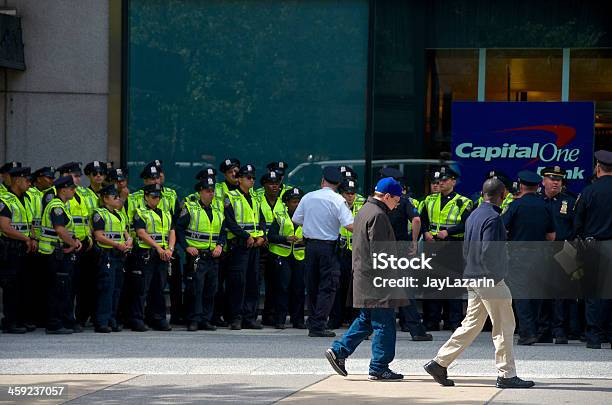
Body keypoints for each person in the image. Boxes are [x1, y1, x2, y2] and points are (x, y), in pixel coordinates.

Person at [423, 178, 535, 389]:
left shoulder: (474, 215)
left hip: (473, 276)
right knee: (504, 326)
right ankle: (507, 374)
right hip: (489, 279)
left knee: (471, 325)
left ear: (483, 194)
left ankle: (439, 363)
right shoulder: (493, 218)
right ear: (503, 195)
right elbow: (489, 252)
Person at [325, 177, 404, 381]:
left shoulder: (364, 210)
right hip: (377, 279)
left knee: (367, 320)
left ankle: (339, 351)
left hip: (365, 276)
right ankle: (379, 367)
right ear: (387, 196)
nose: (398, 203)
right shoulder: (378, 215)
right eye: (397, 199)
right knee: (384, 323)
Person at [292, 166, 354, 337]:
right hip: (328, 247)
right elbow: (349, 225)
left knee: (312, 285)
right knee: (327, 286)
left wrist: (313, 224)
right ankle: (319, 324)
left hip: (310, 246)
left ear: (322, 181)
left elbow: (296, 219)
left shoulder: (308, 197)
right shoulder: (338, 200)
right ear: (338, 184)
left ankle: (313, 322)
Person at [502, 170, 555, 345]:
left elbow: (502, 228)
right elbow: (551, 236)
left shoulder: (516, 205)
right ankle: (539, 330)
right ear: (538, 185)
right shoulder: (545, 205)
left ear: (521, 185)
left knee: (521, 294)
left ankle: (527, 332)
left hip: (519, 255)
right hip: (541, 255)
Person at [380, 167, 431, 341]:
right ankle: (416, 331)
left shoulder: (376, 202)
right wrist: (414, 241)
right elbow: (416, 219)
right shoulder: (403, 200)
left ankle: (370, 328)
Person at [420, 166, 473, 331]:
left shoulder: (464, 202)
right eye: (438, 180)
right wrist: (425, 231)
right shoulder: (429, 200)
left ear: (453, 182)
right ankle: (432, 321)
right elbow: (421, 219)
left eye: (444, 180)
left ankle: (454, 321)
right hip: (433, 245)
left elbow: (467, 224)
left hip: (452, 245)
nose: (440, 183)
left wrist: (448, 231)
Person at [176, 177, 226, 332]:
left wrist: (220, 245)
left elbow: (223, 232)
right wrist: (186, 247)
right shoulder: (190, 208)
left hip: (213, 256)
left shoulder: (217, 210)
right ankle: (193, 319)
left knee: (211, 289)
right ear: (200, 192)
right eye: (207, 191)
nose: (211, 194)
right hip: (197, 256)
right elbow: (179, 229)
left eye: (212, 191)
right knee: (195, 289)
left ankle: (205, 319)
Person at [574, 150, 612, 349]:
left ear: (598, 168)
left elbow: (577, 222)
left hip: (594, 245)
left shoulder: (589, 191)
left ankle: (594, 337)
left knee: (593, 294)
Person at [224, 164, 266, 330]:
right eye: (248, 178)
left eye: (253, 178)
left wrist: (262, 235)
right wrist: (246, 236)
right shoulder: (230, 197)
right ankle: (235, 318)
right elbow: (230, 222)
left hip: (254, 247)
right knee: (237, 283)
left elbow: (261, 220)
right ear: (239, 179)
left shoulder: (255, 197)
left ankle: (249, 317)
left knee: (252, 283)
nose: (252, 181)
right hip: (239, 246)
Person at [538, 165, 577, 345]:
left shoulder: (570, 202)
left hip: (564, 251)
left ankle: (560, 331)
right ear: (543, 180)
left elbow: (577, 227)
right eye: (552, 179)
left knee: (562, 294)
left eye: (559, 179)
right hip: (542, 252)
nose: (555, 182)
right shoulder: (537, 201)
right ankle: (543, 330)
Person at [39, 176, 83, 334]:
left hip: (59, 251)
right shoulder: (57, 206)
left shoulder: (63, 205)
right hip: (54, 253)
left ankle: (63, 321)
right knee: (56, 289)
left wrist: (73, 241)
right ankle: (54, 324)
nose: (74, 191)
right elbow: (60, 230)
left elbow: (66, 230)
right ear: (63, 189)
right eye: (72, 188)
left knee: (62, 288)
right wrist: (73, 243)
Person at [130, 183, 176, 332]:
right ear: (146, 197)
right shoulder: (140, 212)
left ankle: (158, 318)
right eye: (153, 196)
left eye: (158, 197)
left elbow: (172, 231)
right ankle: (137, 319)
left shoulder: (166, 212)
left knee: (159, 288)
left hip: (162, 255)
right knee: (142, 288)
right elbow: (141, 233)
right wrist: (158, 247)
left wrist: (170, 249)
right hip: (147, 254)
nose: (156, 199)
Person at [92, 184, 132, 333]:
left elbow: (125, 232)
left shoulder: (119, 213)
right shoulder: (99, 214)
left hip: (119, 255)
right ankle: (102, 321)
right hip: (107, 254)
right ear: (105, 199)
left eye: (117, 196)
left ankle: (112, 319)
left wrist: (129, 241)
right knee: (106, 288)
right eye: (114, 197)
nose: (117, 199)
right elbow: (99, 236)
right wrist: (117, 245)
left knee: (116, 288)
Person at [0, 166, 34, 334]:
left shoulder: (26, 198)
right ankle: (10, 322)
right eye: (27, 180)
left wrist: (32, 238)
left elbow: (30, 224)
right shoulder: (5, 199)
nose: (30, 183)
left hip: (23, 248)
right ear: (17, 180)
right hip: (10, 247)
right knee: (11, 286)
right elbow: (5, 227)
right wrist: (26, 238)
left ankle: (21, 319)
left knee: (23, 285)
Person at [267, 187, 306, 329]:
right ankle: (280, 320)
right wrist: (285, 238)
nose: (296, 204)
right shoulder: (280, 217)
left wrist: (304, 240)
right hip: (282, 256)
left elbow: (314, 235)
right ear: (287, 203)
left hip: (299, 257)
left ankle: (298, 320)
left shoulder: (307, 217)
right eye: (294, 202)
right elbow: (270, 237)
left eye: (298, 202)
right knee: (282, 288)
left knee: (299, 289)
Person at [328, 178, 364, 330]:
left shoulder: (362, 205)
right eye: (347, 193)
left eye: (352, 193)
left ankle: (353, 319)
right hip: (339, 250)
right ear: (341, 193)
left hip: (356, 251)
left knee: (355, 287)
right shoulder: (335, 204)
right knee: (337, 286)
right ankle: (336, 318)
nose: (350, 196)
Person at [258, 169, 286, 326]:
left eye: (277, 184)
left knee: (276, 284)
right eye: (271, 184)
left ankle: (271, 315)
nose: (275, 187)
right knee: (256, 282)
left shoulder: (284, 201)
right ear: (264, 185)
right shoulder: (257, 199)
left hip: (278, 247)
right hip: (261, 246)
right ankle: (252, 315)